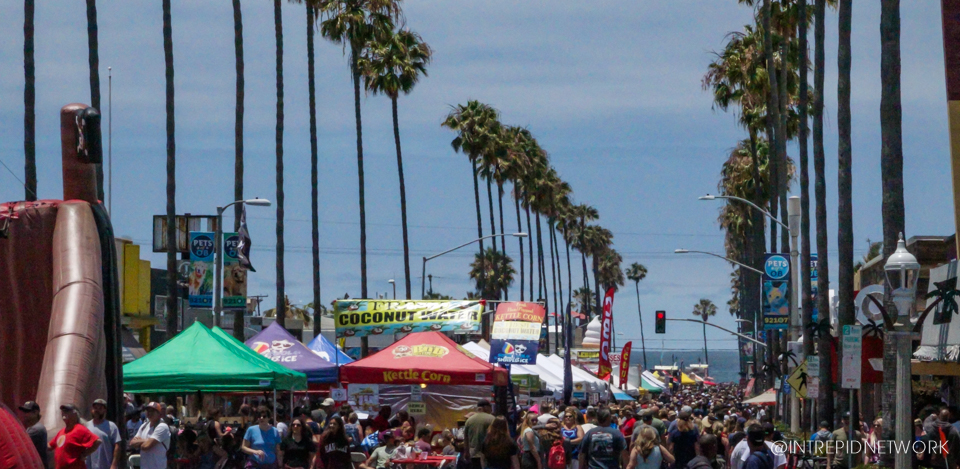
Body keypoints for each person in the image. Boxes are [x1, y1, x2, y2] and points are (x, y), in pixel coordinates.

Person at [48, 403, 101, 469]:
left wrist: (84, 454)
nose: (64, 413)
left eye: (67, 411)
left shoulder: (80, 429)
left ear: (75, 414)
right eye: (63, 411)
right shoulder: (62, 431)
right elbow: (50, 446)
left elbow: (97, 442)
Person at [130, 402, 171, 469]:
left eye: (152, 411)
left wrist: (141, 441)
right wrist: (149, 440)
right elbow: (132, 443)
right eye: (148, 410)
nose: (149, 413)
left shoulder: (162, 426)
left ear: (159, 414)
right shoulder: (144, 426)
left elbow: (145, 447)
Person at [84, 399, 122, 469]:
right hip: (89, 466)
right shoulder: (86, 426)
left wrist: (114, 465)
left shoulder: (111, 426)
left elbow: (117, 447)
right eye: (95, 408)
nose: (97, 410)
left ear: (105, 410)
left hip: (106, 466)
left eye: (100, 408)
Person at [465, 400, 496, 469]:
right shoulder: (492, 419)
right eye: (490, 406)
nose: (491, 409)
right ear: (485, 407)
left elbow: (466, 438)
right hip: (488, 455)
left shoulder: (469, 420)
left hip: (473, 454)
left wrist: (466, 452)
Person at [18, 400, 48, 467]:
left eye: (27, 411)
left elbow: (20, 445)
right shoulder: (30, 428)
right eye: (24, 411)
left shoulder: (36, 429)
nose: (24, 414)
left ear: (35, 412)